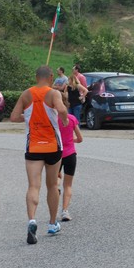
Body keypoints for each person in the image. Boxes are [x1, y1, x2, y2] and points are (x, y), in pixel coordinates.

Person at [10, 66, 69, 244]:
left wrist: (27, 117)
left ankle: (32, 220)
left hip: (34, 147)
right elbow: (62, 109)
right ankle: (52, 223)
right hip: (53, 146)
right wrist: (65, 120)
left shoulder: (26, 94)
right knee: (52, 185)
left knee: (33, 186)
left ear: (36, 77)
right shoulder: (53, 93)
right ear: (51, 77)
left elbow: (13, 117)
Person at [57, 94, 83, 222]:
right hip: (70, 154)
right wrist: (70, 140)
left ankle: (56, 193)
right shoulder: (71, 119)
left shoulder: (52, 120)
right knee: (68, 185)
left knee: (55, 181)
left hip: (55, 154)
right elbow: (80, 139)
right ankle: (65, 211)